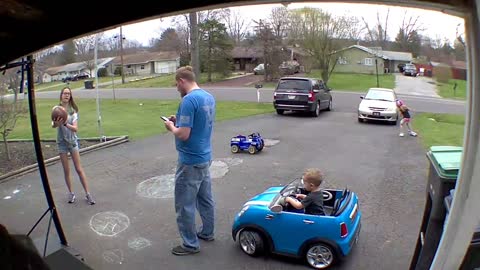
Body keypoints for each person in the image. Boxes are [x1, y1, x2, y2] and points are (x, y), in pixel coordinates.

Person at [164, 66, 216, 256]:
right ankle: (208, 232)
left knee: (184, 204)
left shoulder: (188, 100)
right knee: (205, 199)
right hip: (205, 157)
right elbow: (198, 123)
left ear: (181, 81)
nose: (177, 88)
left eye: (177, 85)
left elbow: (183, 134)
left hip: (190, 161)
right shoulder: (208, 97)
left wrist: (171, 127)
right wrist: (178, 120)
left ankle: (190, 244)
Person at [52, 87, 95, 205]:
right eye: (64, 93)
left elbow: (75, 129)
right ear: (61, 95)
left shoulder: (73, 112)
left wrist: (65, 123)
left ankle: (88, 194)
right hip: (62, 144)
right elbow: (54, 126)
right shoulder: (56, 110)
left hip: (72, 142)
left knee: (79, 169)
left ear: (70, 96)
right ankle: (71, 193)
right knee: (66, 171)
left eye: (68, 94)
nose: (66, 95)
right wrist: (56, 123)